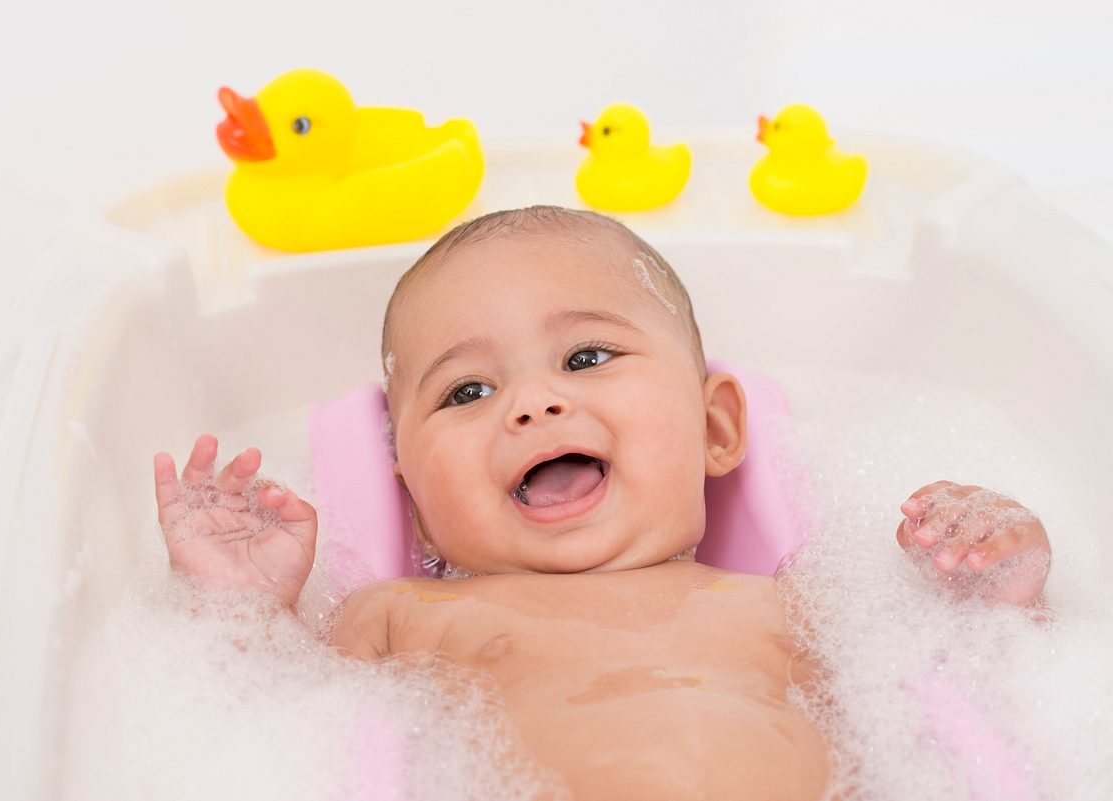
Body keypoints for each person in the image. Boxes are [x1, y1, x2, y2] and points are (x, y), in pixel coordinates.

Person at [152, 206, 1052, 800]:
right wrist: (239, 606)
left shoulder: (794, 600)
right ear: (417, 501)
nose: (532, 404)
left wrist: (995, 573)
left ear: (716, 430)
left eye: (585, 357)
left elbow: (947, 687)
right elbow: (275, 723)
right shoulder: (401, 613)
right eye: (465, 391)